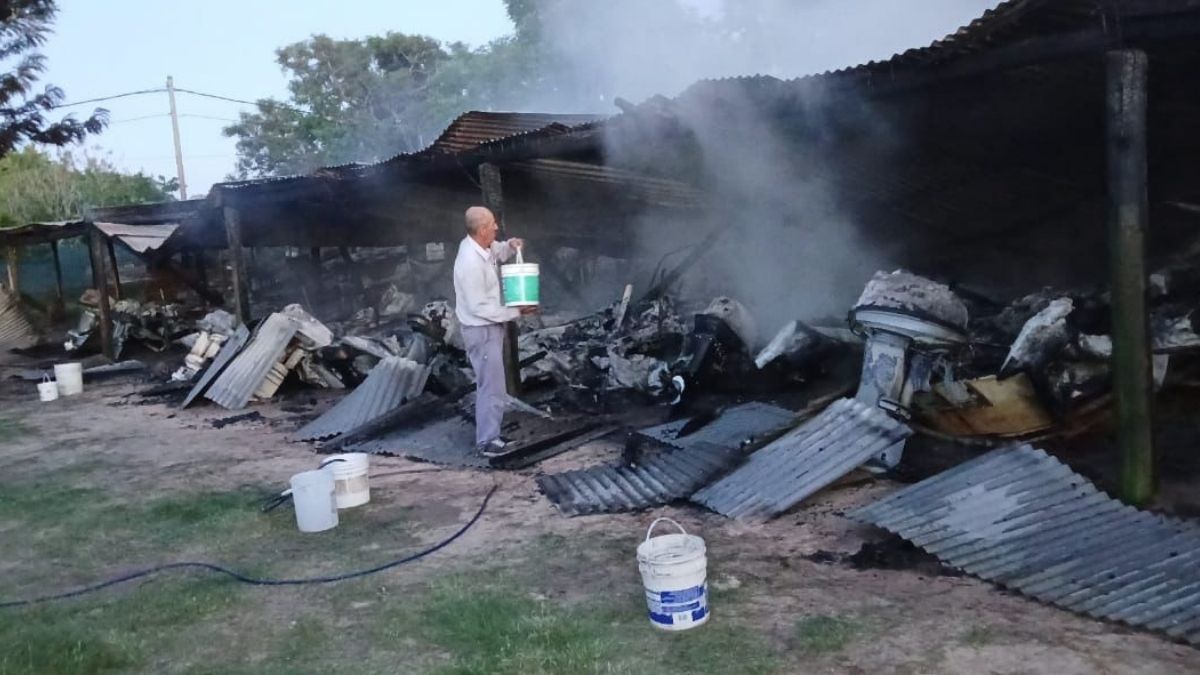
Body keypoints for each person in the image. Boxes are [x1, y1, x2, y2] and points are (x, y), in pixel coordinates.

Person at [453, 206, 537, 457]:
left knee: (492, 384)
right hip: (481, 329)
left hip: (489, 328)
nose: (496, 228)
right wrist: (516, 312)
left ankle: (492, 436)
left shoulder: (479, 247)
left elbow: (495, 251)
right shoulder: (469, 263)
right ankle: (487, 442)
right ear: (481, 230)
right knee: (491, 386)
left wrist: (509, 247)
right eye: (492, 225)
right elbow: (479, 306)